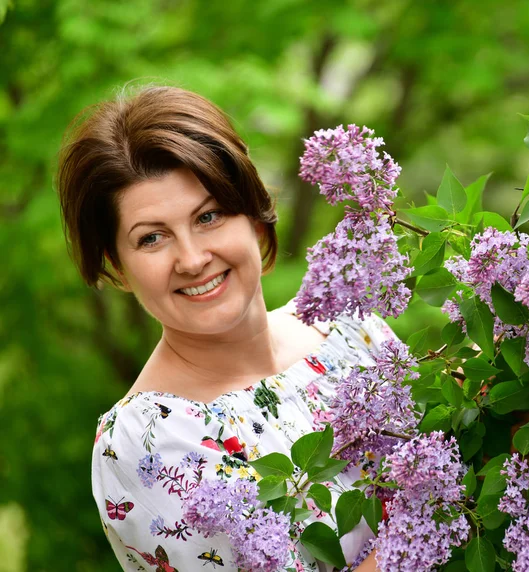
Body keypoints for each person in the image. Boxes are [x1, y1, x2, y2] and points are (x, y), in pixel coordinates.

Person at [57, 85, 390, 571]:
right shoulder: (145, 440)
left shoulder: (355, 333)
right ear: (119, 267)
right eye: (151, 238)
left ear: (254, 217)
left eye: (208, 216)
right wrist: (429, 534)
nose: (192, 259)